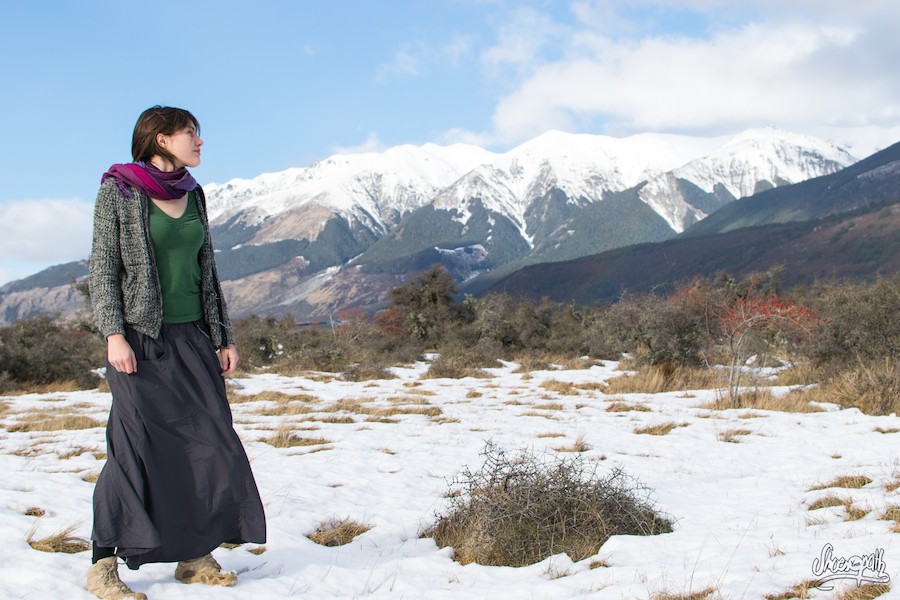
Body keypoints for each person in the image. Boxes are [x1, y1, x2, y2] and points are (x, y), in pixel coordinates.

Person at [87, 106, 266, 599]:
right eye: (192, 135)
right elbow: (103, 269)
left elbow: (206, 271)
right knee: (134, 450)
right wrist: (113, 334)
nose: (200, 143)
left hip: (191, 338)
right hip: (139, 341)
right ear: (161, 139)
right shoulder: (118, 192)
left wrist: (222, 335)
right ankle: (103, 564)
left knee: (209, 444)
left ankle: (193, 554)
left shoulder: (193, 194)